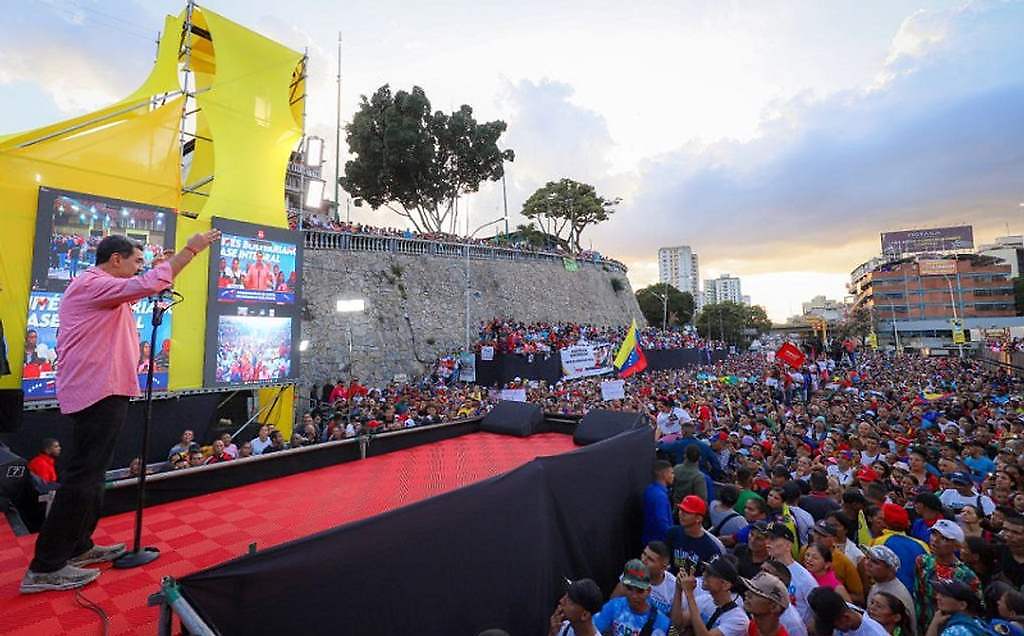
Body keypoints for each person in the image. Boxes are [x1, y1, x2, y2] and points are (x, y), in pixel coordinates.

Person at [21, 230, 219, 594]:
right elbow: (146, 285)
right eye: (136, 261)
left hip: (106, 389)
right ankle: (45, 566)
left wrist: (159, 267)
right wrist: (191, 250)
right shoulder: (92, 284)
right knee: (82, 477)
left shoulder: (100, 287)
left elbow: (144, 283)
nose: (140, 269)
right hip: (98, 390)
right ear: (116, 259)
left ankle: (78, 546)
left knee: (93, 475)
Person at [914, 520, 980, 629]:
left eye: (944, 539)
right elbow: (918, 597)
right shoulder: (922, 562)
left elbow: (975, 611)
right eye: (934, 534)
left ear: (956, 546)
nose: (935, 540)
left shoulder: (966, 575)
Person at [674, 554, 750, 636]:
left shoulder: (738, 619)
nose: (704, 574)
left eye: (710, 573)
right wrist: (678, 589)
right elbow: (678, 624)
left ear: (725, 585)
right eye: (704, 570)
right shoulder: (704, 600)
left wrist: (689, 593)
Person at [592, 559, 671, 636]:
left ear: (648, 590)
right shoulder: (614, 606)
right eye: (629, 589)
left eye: (640, 591)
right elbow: (590, 629)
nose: (634, 596)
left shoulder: (661, 622)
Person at [764, 522, 817, 625]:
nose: (767, 542)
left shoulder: (804, 578)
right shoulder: (765, 569)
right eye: (766, 538)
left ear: (788, 545)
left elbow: (817, 612)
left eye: (773, 539)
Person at [871, 503, 930, 594]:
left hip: (889, 595)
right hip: (917, 597)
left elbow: (871, 572)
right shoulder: (922, 544)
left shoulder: (879, 542)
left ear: (885, 522)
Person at [612, 541, 677, 616]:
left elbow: (678, 621)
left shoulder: (674, 586)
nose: (643, 560)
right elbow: (613, 603)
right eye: (644, 554)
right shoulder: (634, 570)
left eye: (650, 559)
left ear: (663, 568)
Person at [666, 495, 726, 574]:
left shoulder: (711, 549)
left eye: (687, 512)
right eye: (681, 510)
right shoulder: (673, 533)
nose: (681, 514)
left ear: (699, 518)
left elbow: (712, 579)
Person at [865, 546, 918, 636]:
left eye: (875, 562)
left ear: (890, 569)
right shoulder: (877, 585)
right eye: (867, 558)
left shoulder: (897, 595)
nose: (867, 563)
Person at [808, 586, 889, 636]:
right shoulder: (836, 608)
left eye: (834, 626)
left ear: (846, 618)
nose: (833, 630)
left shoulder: (875, 633)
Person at [925, 581, 989, 636]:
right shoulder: (976, 622)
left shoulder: (956, 631)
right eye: (938, 593)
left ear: (962, 605)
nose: (937, 597)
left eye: (944, 595)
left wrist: (934, 624)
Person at [742, 571, 792, 636]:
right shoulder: (754, 625)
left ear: (773, 607)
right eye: (749, 590)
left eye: (756, 593)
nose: (747, 594)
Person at [643, 460, 676, 545]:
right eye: (671, 473)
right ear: (664, 475)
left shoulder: (650, 489)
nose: (673, 476)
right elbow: (662, 523)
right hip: (660, 543)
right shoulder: (660, 497)